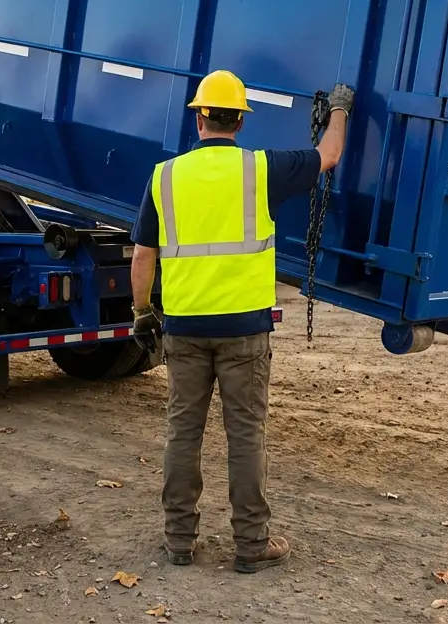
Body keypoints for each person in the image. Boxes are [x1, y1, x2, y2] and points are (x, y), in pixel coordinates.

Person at [128, 69, 351, 572]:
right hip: (244, 333)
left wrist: (143, 314)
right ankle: (251, 546)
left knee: (182, 433)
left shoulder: (165, 176)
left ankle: (179, 541)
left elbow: (143, 256)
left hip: (184, 330)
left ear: (200, 118)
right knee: (246, 435)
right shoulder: (261, 170)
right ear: (241, 122)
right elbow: (329, 154)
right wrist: (339, 108)